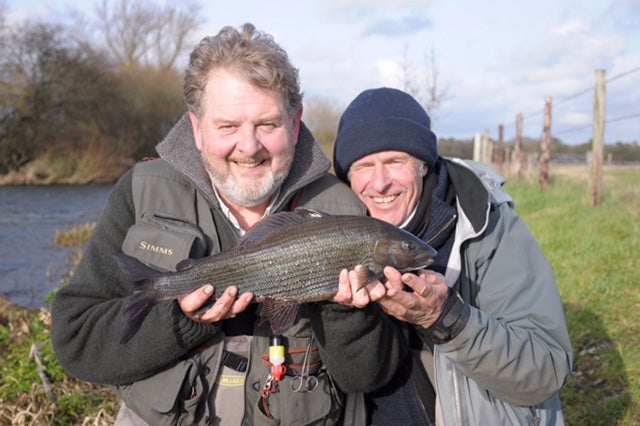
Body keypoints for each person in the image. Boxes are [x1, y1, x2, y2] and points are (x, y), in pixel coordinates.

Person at [51, 25, 406, 425]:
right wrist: (181, 321)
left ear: (295, 123)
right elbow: (76, 342)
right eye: (228, 126)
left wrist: (346, 311)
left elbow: (370, 378)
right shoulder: (143, 191)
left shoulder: (344, 208)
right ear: (197, 129)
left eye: (267, 124)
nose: (249, 146)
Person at [331, 87, 573, 425]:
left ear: (424, 166)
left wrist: (446, 318)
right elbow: (354, 377)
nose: (380, 183)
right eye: (364, 166)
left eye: (395, 162)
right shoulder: (334, 230)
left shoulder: (486, 225)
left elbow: (545, 370)